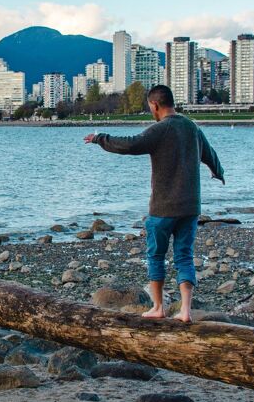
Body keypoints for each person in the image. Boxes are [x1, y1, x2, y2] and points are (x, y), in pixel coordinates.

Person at [85, 85, 224, 322]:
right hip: (191, 207)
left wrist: (100, 138)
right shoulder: (192, 127)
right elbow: (209, 153)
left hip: (163, 207)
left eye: (150, 106)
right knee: (184, 256)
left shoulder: (160, 129)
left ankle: (158, 307)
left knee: (156, 256)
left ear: (154, 105)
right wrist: (217, 172)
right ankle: (186, 311)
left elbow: (130, 144)